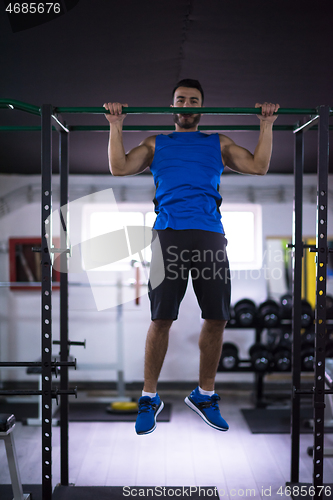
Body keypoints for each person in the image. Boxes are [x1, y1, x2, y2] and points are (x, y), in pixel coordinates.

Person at [104, 79, 279, 435]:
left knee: (217, 318)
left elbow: (259, 167)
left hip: (210, 235)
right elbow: (119, 168)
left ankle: (205, 394)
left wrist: (266, 125)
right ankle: (149, 398)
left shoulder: (219, 143)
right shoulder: (157, 143)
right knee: (161, 319)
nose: (186, 104)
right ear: (172, 107)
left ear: (201, 107)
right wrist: (115, 126)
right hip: (166, 235)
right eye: (180, 99)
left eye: (193, 100)